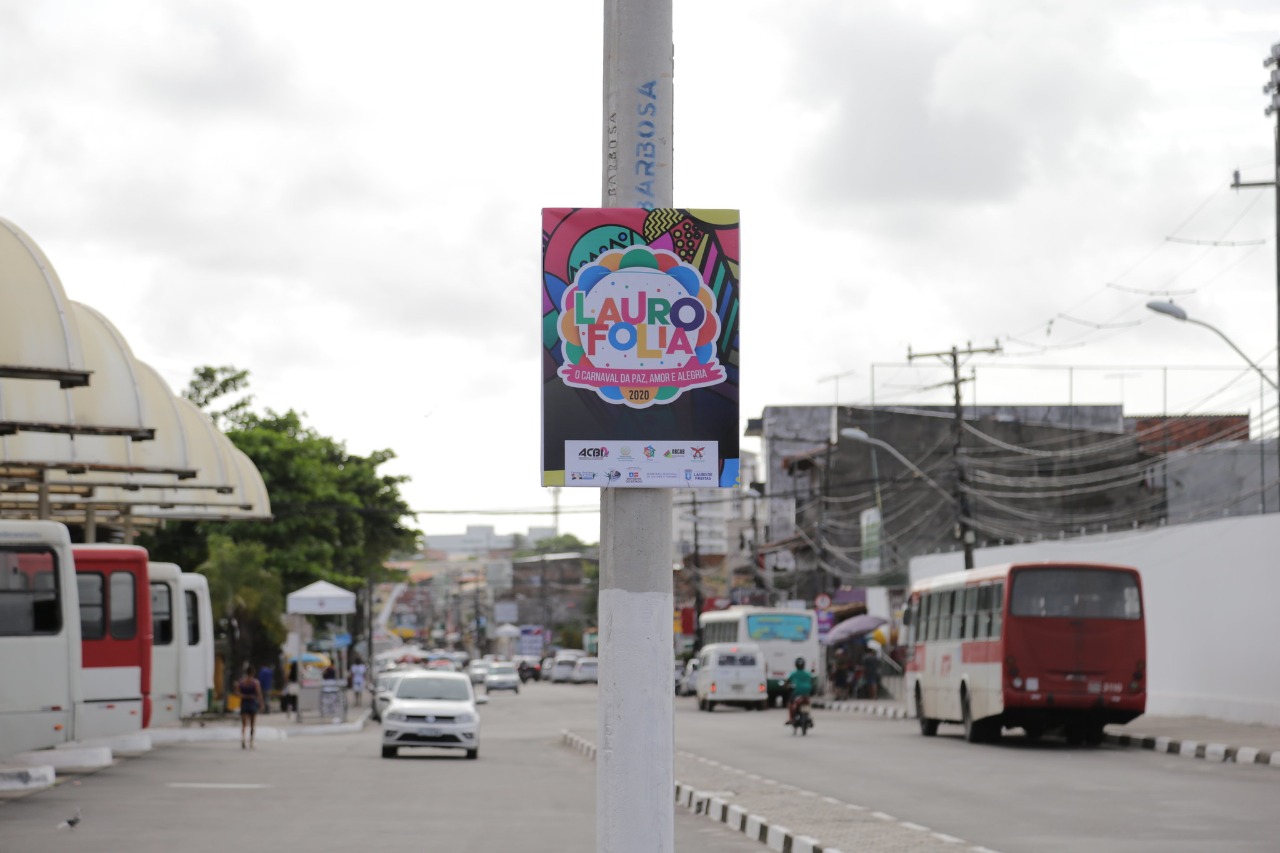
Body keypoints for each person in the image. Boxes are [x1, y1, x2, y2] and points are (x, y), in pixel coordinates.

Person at [236, 664, 264, 749]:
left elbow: (237, 693)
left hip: (244, 703)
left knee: (244, 724)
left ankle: (243, 740)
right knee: (252, 724)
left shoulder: (241, 682)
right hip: (252, 703)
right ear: (253, 673)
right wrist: (261, 704)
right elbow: (259, 694)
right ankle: (251, 742)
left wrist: (244, 696)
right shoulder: (255, 682)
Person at [783, 657, 816, 726]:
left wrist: (786, 686)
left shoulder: (793, 674)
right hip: (807, 693)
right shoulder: (807, 674)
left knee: (790, 703)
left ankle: (790, 718)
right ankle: (808, 716)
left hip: (797, 693)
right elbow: (812, 682)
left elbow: (787, 682)